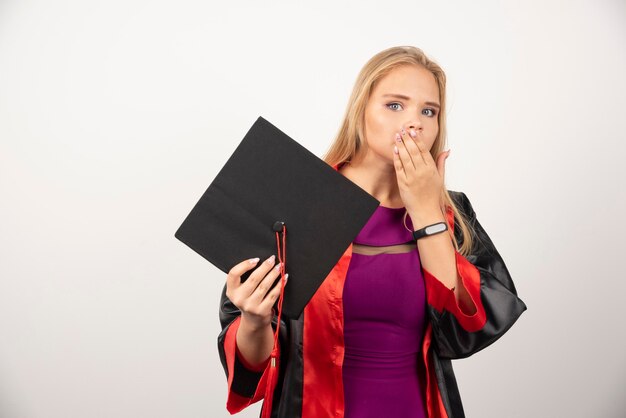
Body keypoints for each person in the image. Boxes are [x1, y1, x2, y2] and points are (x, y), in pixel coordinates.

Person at [217, 46, 527, 418]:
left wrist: (428, 213)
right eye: (395, 105)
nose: (415, 123)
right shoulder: (298, 203)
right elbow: (254, 370)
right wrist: (253, 319)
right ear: (360, 111)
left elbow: (466, 330)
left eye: (429, 111)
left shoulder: (452, 213)